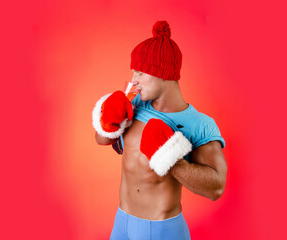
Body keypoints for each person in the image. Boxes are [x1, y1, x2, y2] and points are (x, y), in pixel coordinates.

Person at [92, 20, 227, 240]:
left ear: (162, 73)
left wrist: (171, 158)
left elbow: (216, 188)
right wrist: (107, 122)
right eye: (133, 72)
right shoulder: (134, 106)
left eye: (140, 73)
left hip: (161, 230)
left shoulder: (199, 124)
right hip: (122, 223)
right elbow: (101, 140)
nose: (134, 80)